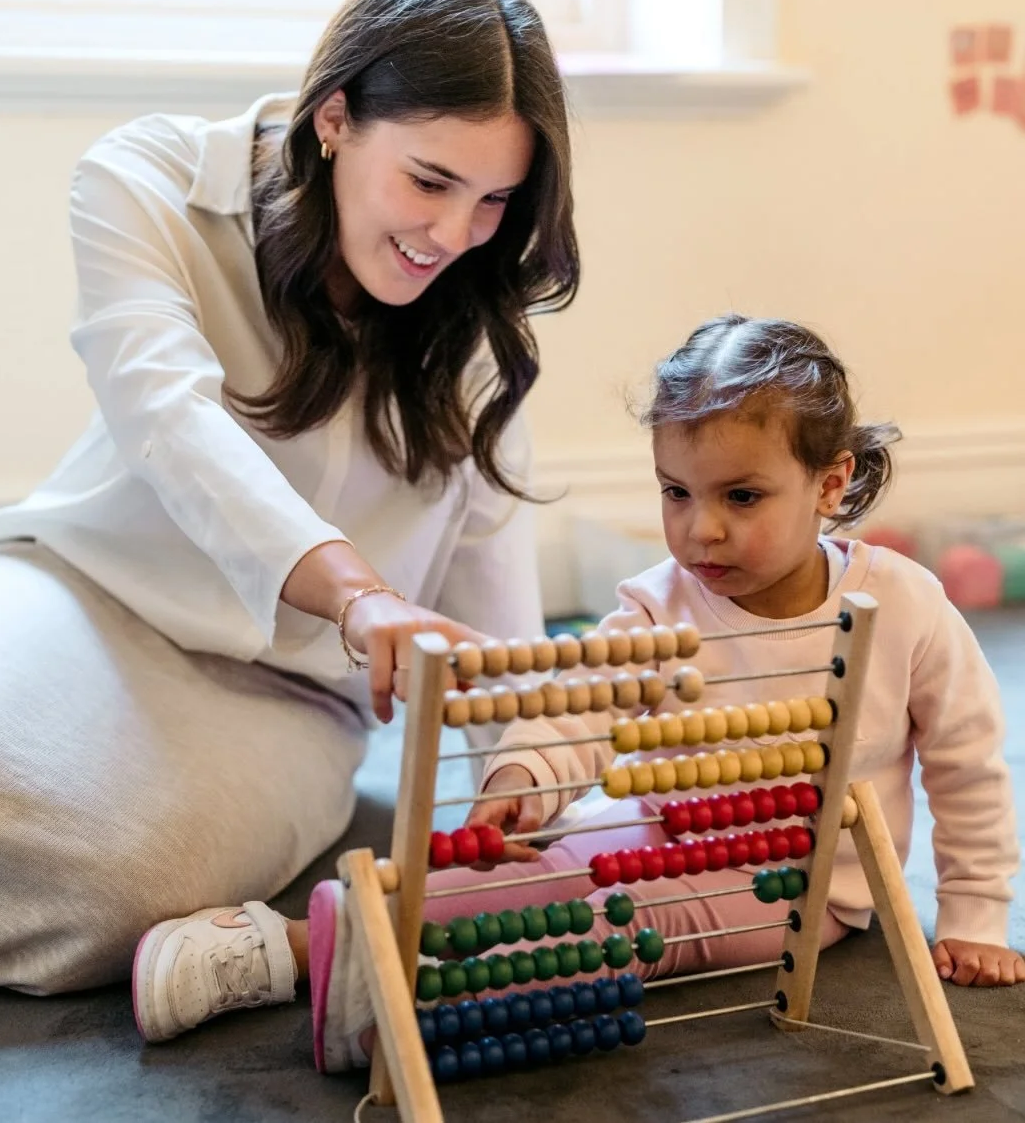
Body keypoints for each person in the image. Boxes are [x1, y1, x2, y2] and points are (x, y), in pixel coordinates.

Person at [137, 314, 1022, 1067]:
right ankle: (309, 947)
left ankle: (395, 997)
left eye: (743, 497)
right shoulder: (662, 604)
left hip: (794, 880)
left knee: (613, 925)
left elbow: (968, 762)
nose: (701, 529)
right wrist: (522, 782)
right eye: (676, 492)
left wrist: (976, 913)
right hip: (661, 825)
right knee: (534, 866)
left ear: (830, 484)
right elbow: (583, 705)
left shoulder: (901, 605)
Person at [0, 0, 579, 1002]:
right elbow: (167, 415)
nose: (455, 236)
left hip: (291, 694)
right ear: (335, 117)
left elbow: (495, 634)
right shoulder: (147, 180)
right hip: (81, 591)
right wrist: (357, 592)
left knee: (124, 890)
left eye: (495, 201)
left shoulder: (472, 330)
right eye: (430, 182)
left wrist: (517, 774)